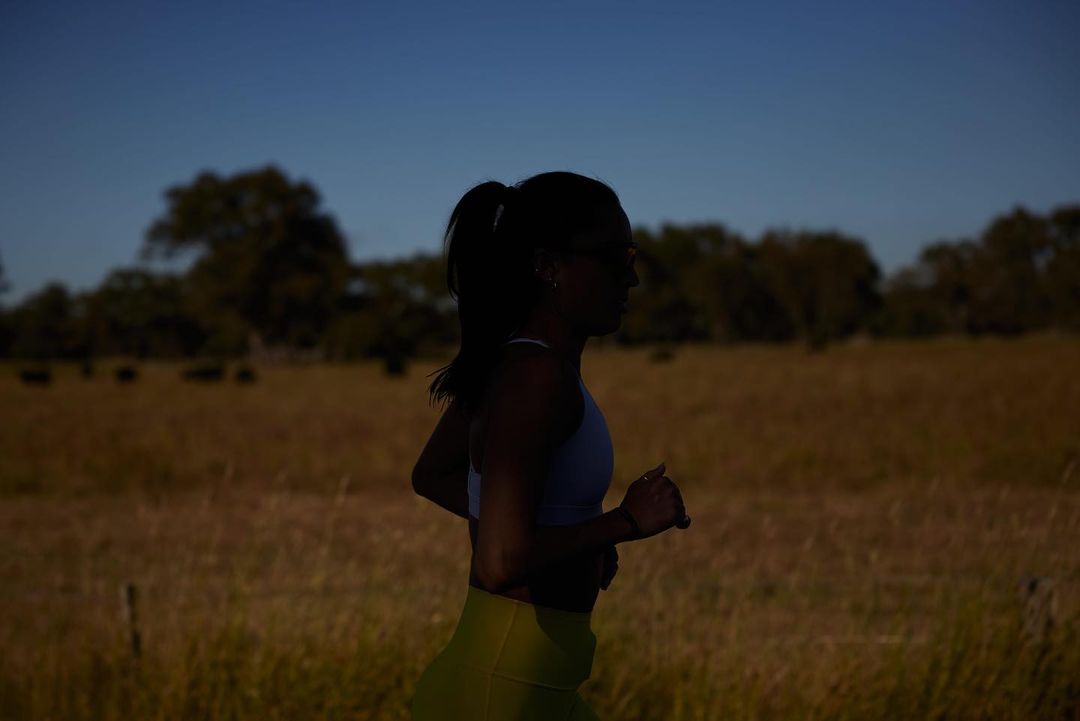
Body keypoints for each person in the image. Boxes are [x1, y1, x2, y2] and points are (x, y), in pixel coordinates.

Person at [410, 171, 691, 720]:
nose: (632, 277)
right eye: (615, 257)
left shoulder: (520, 364)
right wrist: (623, 523)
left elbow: (434, 475)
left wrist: (576, 545)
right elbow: (500, 562)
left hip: (532, 687)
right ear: (547, 267)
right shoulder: (534, 377)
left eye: (632, 254)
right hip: (499, 693)